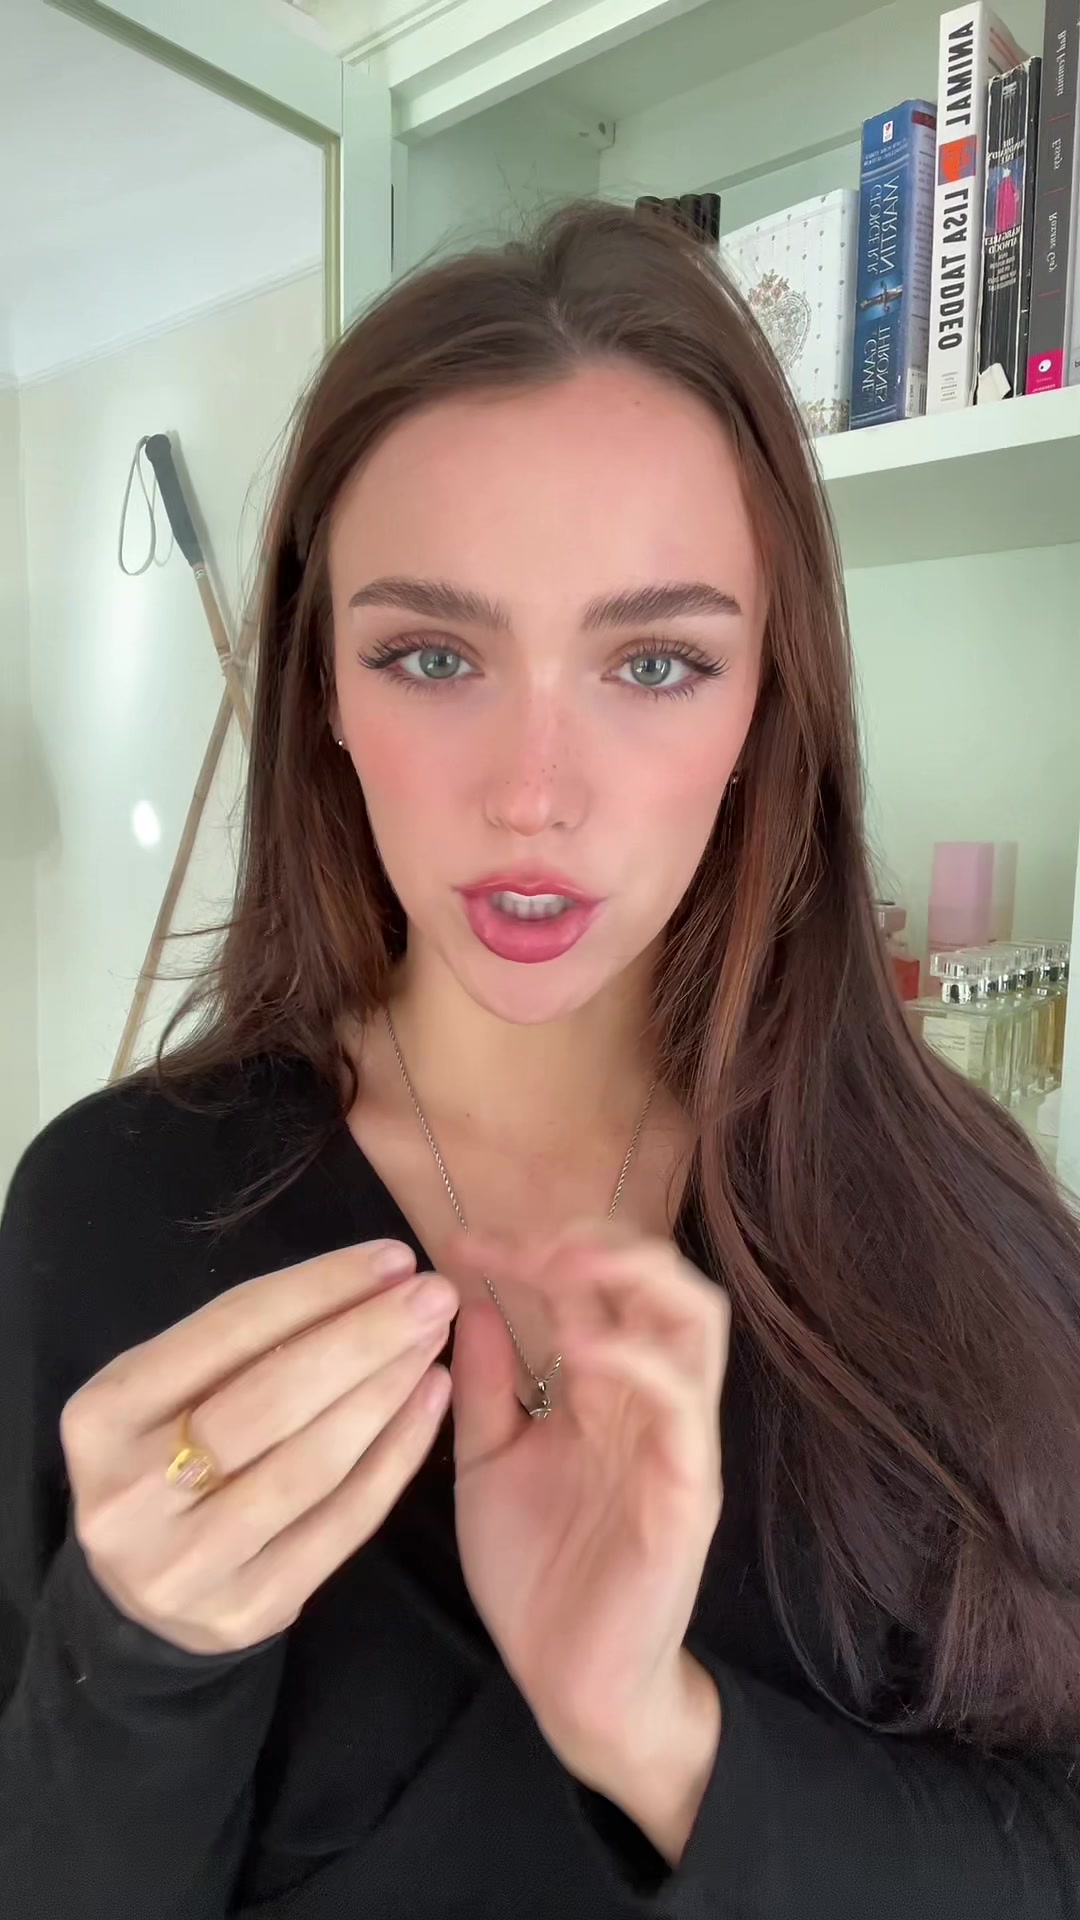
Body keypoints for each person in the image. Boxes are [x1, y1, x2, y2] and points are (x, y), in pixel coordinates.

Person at [1, 202, 1078, 1920]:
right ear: (325, 688)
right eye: (433, 657)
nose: (533, 793)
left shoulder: (964, 1224)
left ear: (765, 704)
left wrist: (655, 1732)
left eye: (657, 662)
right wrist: (134, 1657)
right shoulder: (115, 1210)